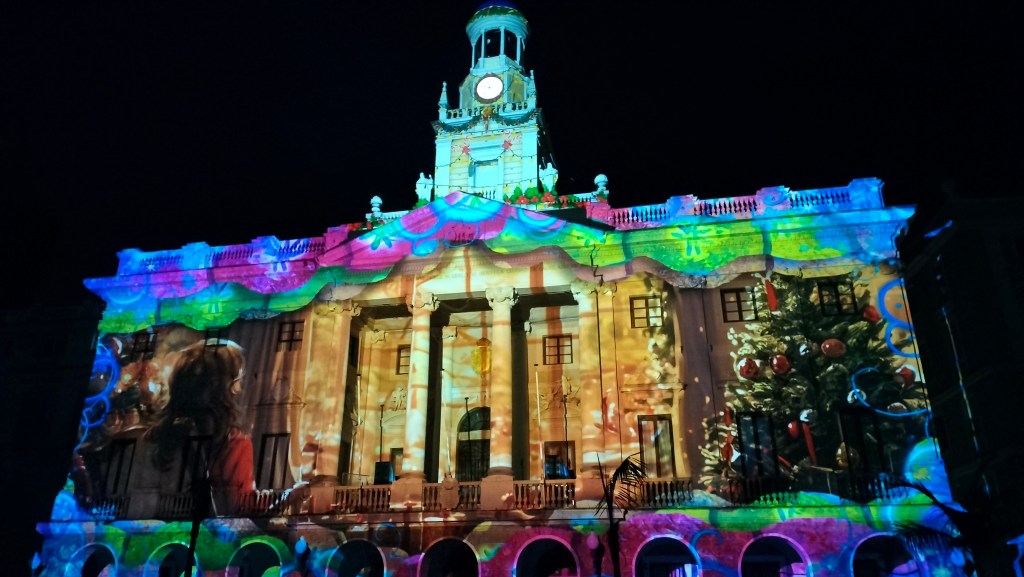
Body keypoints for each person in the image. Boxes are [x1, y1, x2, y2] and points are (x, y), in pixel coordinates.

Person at [142, 338, 255, 513]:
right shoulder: (234, 444)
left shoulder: (149, 438)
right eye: (237, 380)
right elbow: (242, 513)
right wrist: (290, 497)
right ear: (228, 387)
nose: (239, 388)